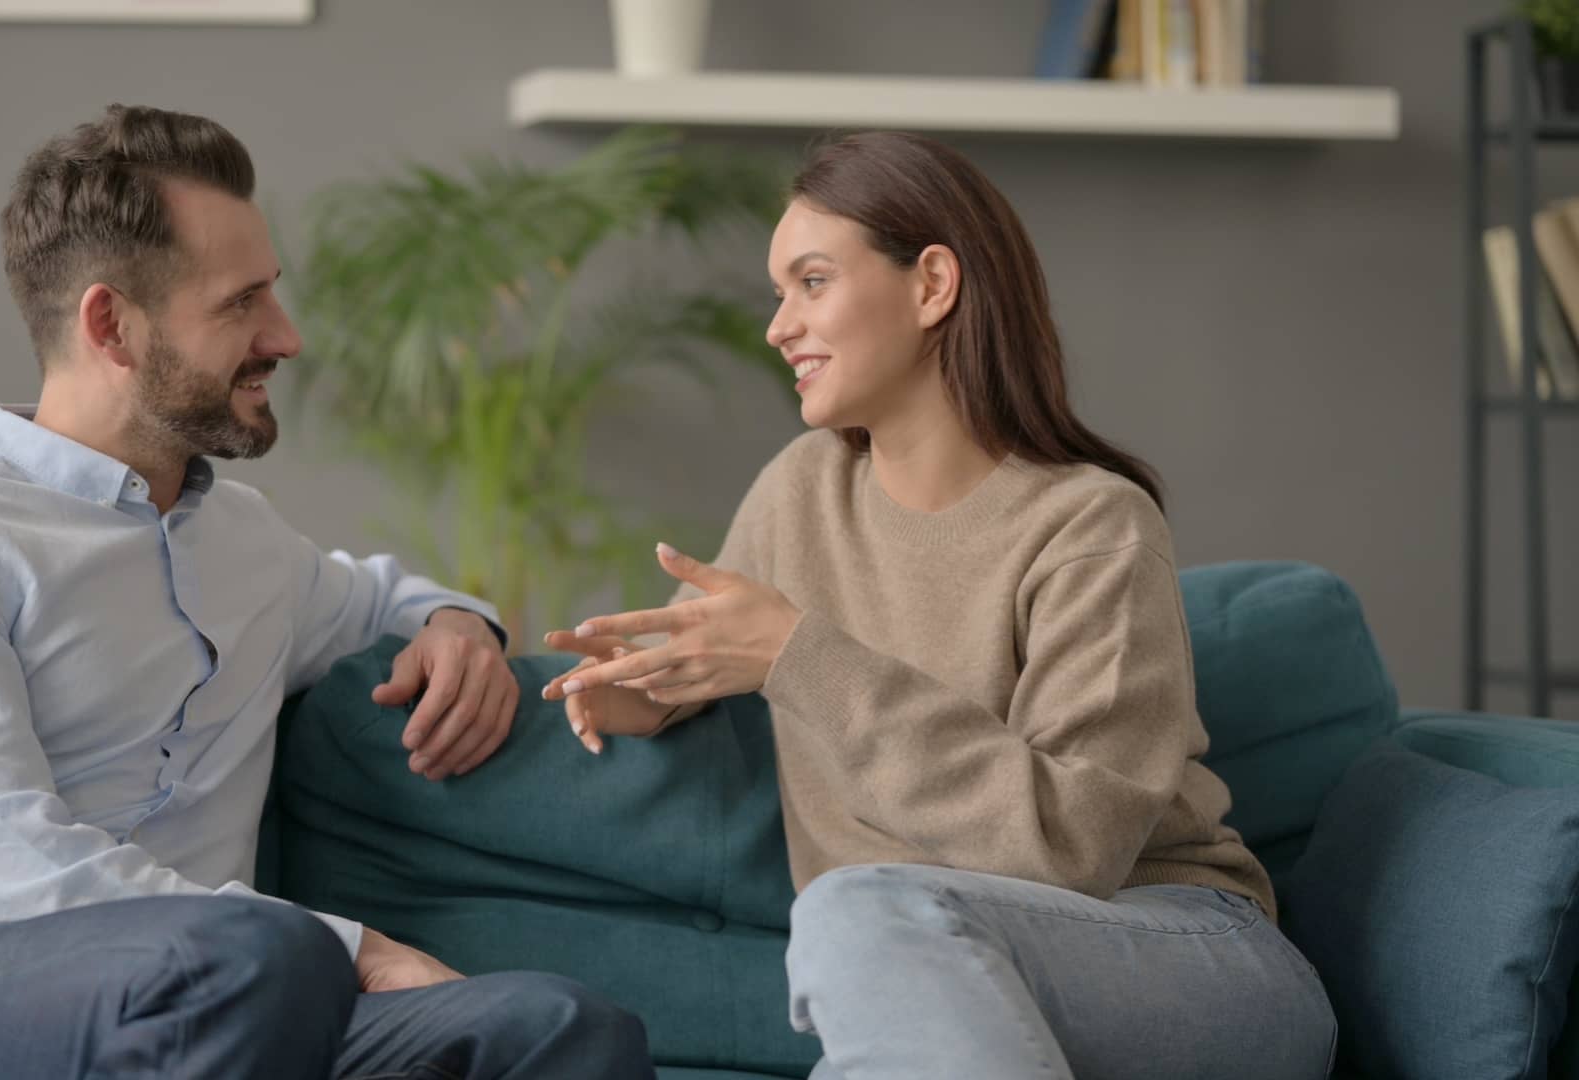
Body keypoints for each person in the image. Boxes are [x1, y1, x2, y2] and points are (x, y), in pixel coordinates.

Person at [0, 104, 652, 1080]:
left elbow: (383, 599)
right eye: (242, 304)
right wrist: (353, 950)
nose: (287, 337)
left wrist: (457, 625)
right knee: (258, 959)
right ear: (111, 324)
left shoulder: (248, 544)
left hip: (234, 1003)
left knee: (559, 1027)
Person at [542, 131, 1334, 1080]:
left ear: (932, 285)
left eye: (812, 282)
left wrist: (801, 658)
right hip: (936, 972)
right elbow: (706, 646)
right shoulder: (802, 492)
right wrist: (636, 691)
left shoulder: (1092, 524)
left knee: (859, 906)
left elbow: (1073, 847)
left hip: (1181, 954)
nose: (777, 326)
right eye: (779, 292)